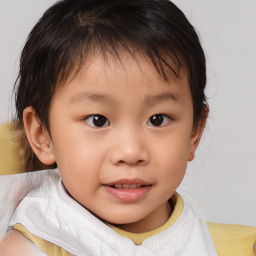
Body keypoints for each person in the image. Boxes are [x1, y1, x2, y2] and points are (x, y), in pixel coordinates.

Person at [0, 0, 255, 255]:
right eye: (97, 120)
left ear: (194, 131)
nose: (131, 152)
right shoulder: (30, 246)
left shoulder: (236, 248)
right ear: (41, 134)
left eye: (158, 119)